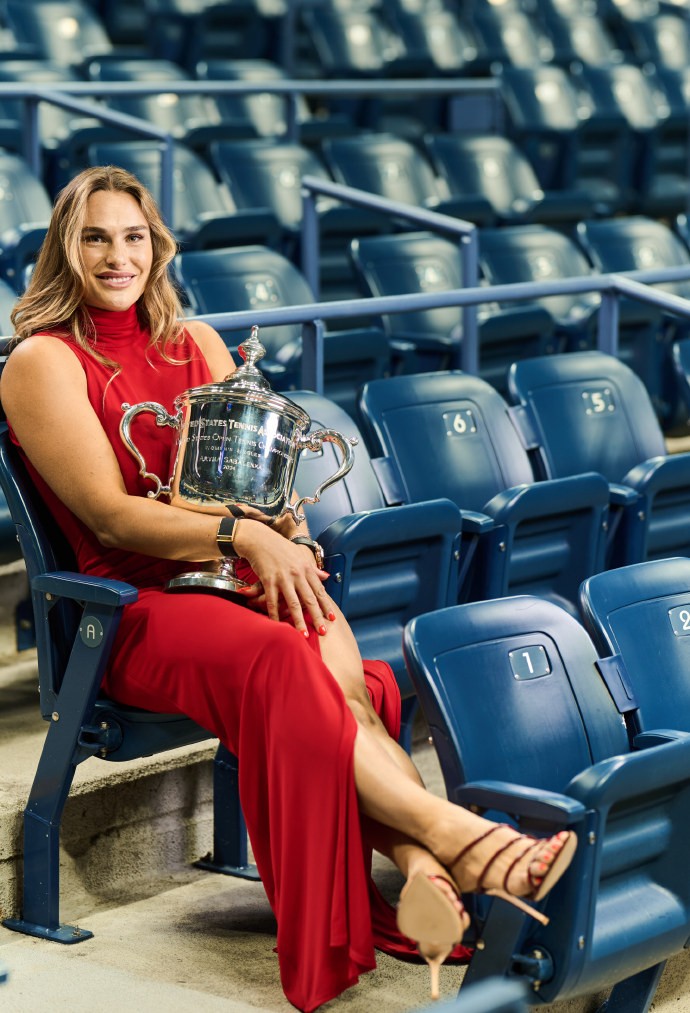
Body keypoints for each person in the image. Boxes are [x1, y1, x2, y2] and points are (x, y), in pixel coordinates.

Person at [0, 166, 576, 1011]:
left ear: (157, 246)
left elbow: (256, 482)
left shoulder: (196, 341)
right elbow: (111, 519)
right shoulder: (41, 361)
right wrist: (245, 537)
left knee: (351, 678)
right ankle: (461, 838)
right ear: (65, 248)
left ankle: (422, 863)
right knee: (285, 660)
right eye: (96, 238)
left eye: (133, 237)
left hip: (233, 575)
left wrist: (289, 534)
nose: (118, 256)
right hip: (128, 610)